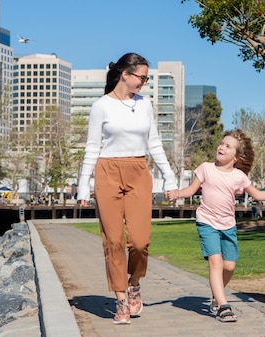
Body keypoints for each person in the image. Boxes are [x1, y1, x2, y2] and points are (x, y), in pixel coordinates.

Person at [77, 52, 178, 325]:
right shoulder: (101, 106)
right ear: (125, 74)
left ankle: (134, 283)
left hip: (138, 171)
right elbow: (91, 147)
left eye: (146, 78)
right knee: (113, 242)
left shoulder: (145, 104)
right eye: (141, 77)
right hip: (107, 171)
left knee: (140, 241)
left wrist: (169, 178)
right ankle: (121, 301)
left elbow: (154, 142)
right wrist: (83, 186)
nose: (143, 83)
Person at [165, 129, 265, 323]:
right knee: (216, 262)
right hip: (206, 221)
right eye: (222, 143)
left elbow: (258, 195)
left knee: (229, 265)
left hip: (228, 225)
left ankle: (216, 295)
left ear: (236, 157)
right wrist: (177, 193)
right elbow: (192, 189)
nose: (221, 147)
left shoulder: (238, 177)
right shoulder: (205, 168)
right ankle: (222, 305)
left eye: (228, 146)